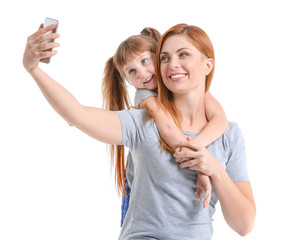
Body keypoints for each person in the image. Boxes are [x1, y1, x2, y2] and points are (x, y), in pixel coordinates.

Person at [23, 23, 255, 239]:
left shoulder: (228, 134)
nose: (172, 64)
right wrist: (34, 70)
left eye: (183, 54)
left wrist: (212, 168)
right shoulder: (143, 119)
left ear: (208, 65)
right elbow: (77, 116)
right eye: (165, 58)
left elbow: (244, 226)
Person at [101, 27, 228, 225]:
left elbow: (220, 119)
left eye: (145, 61)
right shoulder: (145, 96)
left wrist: (197, 145)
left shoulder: (182, 85)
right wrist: (200, 166)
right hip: (141, 194)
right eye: (132, 72)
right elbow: (168, 129)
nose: (142, 73)